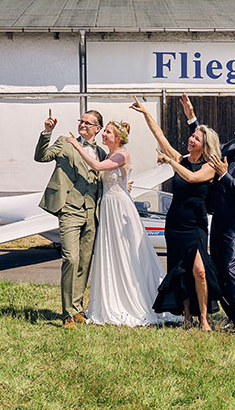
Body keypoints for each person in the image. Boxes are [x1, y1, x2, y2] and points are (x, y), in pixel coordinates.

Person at [67, 121, 176, 326]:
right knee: (111, 251)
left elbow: (98, 167)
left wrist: (77, 146)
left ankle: (135, 299)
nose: (104, 134)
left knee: (125, 251)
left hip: (119, 207)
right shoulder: (108, 155)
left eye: (108, 132)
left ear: (118, 138)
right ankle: (111, 297)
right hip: (108, 206)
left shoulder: (122, 155)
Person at [131, 97, 222, 331]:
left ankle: (204, 318)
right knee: (180, 270)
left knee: (199, 271)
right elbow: (160, 136)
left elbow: (191, 177)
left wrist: (171, 162)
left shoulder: (209, 166)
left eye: (196, 139)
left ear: (204, 145)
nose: (191, 140)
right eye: (192, 137)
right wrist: (146, 113)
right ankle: (187, 316)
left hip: (195, 225)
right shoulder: (181, 159)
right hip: (175, 224)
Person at [181, 94, 235, 336]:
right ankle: (233, 317)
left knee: (231, 270)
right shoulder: (230, 149)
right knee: (217, 272)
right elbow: (207, 144)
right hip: (218, 221)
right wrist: (192, 118)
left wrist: (224, 174)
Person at [34, 108, 107, 329]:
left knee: (84, 262)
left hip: (91, 212)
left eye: (87, 123)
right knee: (71, 259)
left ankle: (77, 309)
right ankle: (67, 314)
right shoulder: (65, 142)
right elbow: (41, 157)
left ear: (97, 128)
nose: (82, 125)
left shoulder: (101, 153)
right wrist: (47, 132)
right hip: (69, 209)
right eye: (80, 121)